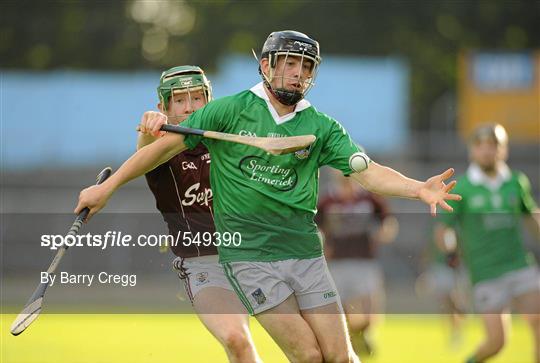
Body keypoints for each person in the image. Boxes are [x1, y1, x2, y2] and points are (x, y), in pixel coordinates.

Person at [75, 30, 461, 363]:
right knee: (309, 356)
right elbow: (159, 150)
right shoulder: (228, 111)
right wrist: (105, 188)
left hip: (306, 253)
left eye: (306, 67)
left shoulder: (321, 126)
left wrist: (417, 188)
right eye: (290, 63)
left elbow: (368, 172)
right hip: (249, 258)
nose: (297, 73)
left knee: (340, 356)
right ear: (265, 66)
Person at [138, 65, 261, 363]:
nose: (190, 106)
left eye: (197, 97)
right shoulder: (162, 150)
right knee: (236, 339)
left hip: (257, 257)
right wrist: (148, 133)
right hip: (205, 264)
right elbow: (143, 157)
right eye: (180, 100)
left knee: (310, 349)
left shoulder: (229, 140)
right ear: (163, 107)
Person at [435, 124, 540, 363]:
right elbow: (444, 229)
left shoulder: (516, 181)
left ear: (504, 150)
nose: (486, 151)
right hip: (485, 272)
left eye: (493, 145)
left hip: (520, 265)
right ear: (472, 151)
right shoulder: (462, 187)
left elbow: (531, 216)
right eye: (480, 146)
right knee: (496, 343)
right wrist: (449, 250)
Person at [317, 169, 399, 356]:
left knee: (369, 309)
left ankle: (362, 333)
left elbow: (388, 220)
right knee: (343, 310)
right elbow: (317, 226)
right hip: (338, 261)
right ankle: (352, 339)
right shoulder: (327, 200)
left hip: (365, 260)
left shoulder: (369, 197)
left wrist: (385, 231)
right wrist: (322, 243)